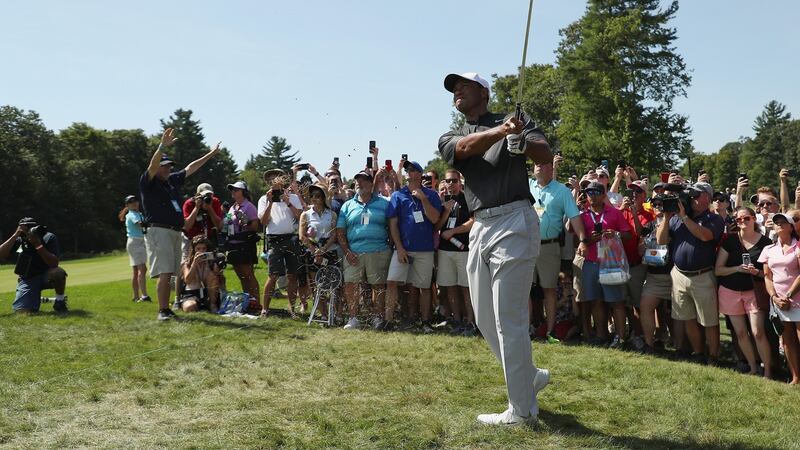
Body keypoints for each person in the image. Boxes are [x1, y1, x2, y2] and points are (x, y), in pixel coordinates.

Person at [438, 72, 551, 425]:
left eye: (464, 85)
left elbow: (544, 152)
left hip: (515, 220)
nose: (457, 91)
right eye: (453, 88)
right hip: (481, 225)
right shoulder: (451, 136)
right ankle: (529, 375)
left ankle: (522, 411)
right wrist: (504, 132)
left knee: (509, 320)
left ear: (484, 92)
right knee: (485, 318)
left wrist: (522, 140)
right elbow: (463, 150)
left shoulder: (516, 121)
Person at [139, 128, 221, 321]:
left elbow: (191, 168)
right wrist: (161, 147)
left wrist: (210, 154)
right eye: (164, 166)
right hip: (159, 230)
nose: (168, 169)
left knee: (172, 272)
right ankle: (163, 311)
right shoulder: (148, 182)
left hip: (176, 231)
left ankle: (167, 309)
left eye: (169, 166)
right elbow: (152, 165)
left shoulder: (171, 181)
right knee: (165, 272)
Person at [657, 181, 725, 363]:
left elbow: (705, 235)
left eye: (697, 194)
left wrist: (685, 217)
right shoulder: (676, 218)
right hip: (679, 274)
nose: (692, 197)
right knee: (687, 318)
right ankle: (698, 352)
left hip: (702, 275)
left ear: (707, 197)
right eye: (691, 194)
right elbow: (661, 240)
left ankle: (713, 356)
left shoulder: (714, 219)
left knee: (709, 320)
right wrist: (666, 216)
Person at [529, 155, 587, 344]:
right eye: (535, 164)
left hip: (549, 246)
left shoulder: (561, 191)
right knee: (524, 290)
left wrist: (583, 240)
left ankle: (551, 331)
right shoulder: (526, 186)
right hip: (526, 246)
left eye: (541, 163)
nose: (537, 166)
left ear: (549, 168)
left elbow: (575, 216)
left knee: (549, 290)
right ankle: (527, 328)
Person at [714, 207, 773, 378]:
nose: (742, 222)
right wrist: (737, 268)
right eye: (738, 220)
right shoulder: (730, 241)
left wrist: (756, 273)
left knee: (757, 332)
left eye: (746, 218)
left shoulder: (766, 243)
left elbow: (769, 274)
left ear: (754, 219)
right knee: (740, 333)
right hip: (730, 292)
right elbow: (718, 270)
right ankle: (753, 368)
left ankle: (767, 370)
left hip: (754, 292)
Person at [385, 160, 442, 332]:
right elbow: (393, 224)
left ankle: (425, 322)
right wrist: (399, 247)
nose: (409, 172)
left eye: (413, 169)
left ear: (420, 173)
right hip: (403, 248)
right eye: (407, 169)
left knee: (424, 287)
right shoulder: (397, 195)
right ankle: (388, 320)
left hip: (424, 249)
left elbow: (434, 219)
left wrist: (424, 199)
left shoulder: (431, 195)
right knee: (392, 282)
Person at [336, 170, 392, 330]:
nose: (359, 183)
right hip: (353, 252)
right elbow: (340, 231)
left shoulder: (384, 203)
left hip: (379, 251)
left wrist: (390, 246)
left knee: (378, 286)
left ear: (371, 184)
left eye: (364, 180)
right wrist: (347, 251)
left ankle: (377, 318)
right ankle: (353, 318)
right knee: (351, 285)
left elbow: (391, 227)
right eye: (357, 181)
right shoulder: (347, 205)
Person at [578, 182, 632, 347]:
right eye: (589, 192)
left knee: (616, 301)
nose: (592, 195)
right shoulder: (583, 215)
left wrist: (614, 234)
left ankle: (621, 338)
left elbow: (628, 235)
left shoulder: (614, 213)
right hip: (591, 262)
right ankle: (602, 336)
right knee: (596, 301)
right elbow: (575, 237)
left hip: (610, 263)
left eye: (595, 192)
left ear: (603, 195)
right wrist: (589, 240)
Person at [759, 212, 800, 384]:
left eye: (784, 222)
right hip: (779, 302)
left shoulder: (798, 247)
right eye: (776, 222)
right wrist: (775, 298)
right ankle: (796, 377)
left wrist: (789, 295)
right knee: (787, 339)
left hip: (796, 299)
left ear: (791, 227)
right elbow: (767, 277)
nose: (779, 224)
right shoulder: (768, 249)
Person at [435, 169, 477, 336]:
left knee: (466, 288)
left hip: (464, 250)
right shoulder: (443, 200)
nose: (450, 184)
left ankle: (471, 321)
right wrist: (445, 211)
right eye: (448, 181)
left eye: (454, 181)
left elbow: (473, 221)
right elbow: (437, 227)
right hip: (445, 250)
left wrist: (453, 232)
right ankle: (457, 320)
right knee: (450, 286)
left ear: (460, 182)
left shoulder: (468, 198)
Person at [258, 169, 304, 318]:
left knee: (292, 275)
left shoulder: (293, 197)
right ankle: (265, 309)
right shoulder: (263, 199)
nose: (274, 181)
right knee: (273, 275)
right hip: (274, 239)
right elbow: (264, 222)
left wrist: (288, 202)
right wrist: (270, 203)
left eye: (277, 178)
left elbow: (300, 217)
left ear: (283, 180)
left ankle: (292, 309)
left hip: (291, 238)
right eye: (271, 179)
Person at [0, 218, 68, 313]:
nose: (30, 230)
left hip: (47, 275)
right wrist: (15, 235)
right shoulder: (19, 239)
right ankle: (40, 298)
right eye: (26, 228)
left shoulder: (48, 237)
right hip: (28, 278)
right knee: (23, 312)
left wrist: (38, 245)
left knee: (58, 272)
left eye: (32, 227)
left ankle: (60, 301)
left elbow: (54, 263)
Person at [619, 180, 656, 349]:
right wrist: (621, 210)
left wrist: (634, 214)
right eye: (632, 191)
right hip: (620, 264)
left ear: (644, 195)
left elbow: (640, 234)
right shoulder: (622, 212)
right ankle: (633, 332)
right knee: (624, 302)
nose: (634, 194)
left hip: (637, 265)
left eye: (638, 191)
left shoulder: (649, 215)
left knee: (638, 303)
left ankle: (641, 335)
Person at [299, 183, 339, 319]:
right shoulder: (305, 215)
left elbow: (334, 234)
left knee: (334, 284)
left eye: (317, 196)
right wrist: (315, 250)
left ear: (323, 197)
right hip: (312, 252)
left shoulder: (332, 214)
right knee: (317, 284)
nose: (314, 198)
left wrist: (323, 249)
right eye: (312, 196)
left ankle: (335, 313)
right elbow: (302, 236)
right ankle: (323, 314)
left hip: (329, 250)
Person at [226, 181, 261, 303]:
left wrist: (246, 221)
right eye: (232, 190)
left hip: (245, 243)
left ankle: (256, 302)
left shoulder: (249, 206)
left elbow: (255, 227)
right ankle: (247, 301)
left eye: (236, 190)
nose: (233, 192)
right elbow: (228, 223)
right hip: (233, 243)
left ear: (243, 192)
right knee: (240, 274)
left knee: (248, 274)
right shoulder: (232, 207)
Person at [178, 236, 221, 313]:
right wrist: (194, 264)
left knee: (213, 277)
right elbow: (188, 280)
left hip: (207, 293)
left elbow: (217, 282)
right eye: (198, 249)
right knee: (190, 307)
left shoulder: (211, 262)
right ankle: (201, 306)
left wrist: (216, 271)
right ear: (194, 250)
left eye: (204, 248)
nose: (201, 251)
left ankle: (212, 304)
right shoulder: (187, 264)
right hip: (191, 293)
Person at [119, 195, 150, 302]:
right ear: (127, 205)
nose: (134, 203)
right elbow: (140, 224)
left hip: (138, 242)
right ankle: (144, 296)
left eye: (136, 201)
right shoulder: (132, 215)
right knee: (143, 269)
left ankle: (136, 296)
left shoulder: (139, 213)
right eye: (131, 202)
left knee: (136, 271)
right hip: (136, 243)